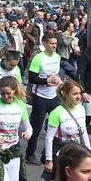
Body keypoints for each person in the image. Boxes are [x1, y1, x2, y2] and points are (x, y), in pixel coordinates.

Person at [25, 32, 64, 165]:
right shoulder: (38, 58)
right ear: (45, 44)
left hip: (53, 96)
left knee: (57, 124)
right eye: (51, 44)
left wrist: (58, 79)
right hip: (40, 97)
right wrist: (47, 80)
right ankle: (30, 154)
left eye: (55, 44)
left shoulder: (57, 57)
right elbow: (31, 78)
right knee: (36, 127)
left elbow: (56, 73)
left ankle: (50, 152)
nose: (54, 46)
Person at [44, 79, 91, 171]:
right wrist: (49, 160)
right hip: (62, 154)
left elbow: (84, 132)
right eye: (74, 94)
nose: (78, 97)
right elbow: (49, 138)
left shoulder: (81, 109)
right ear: (65, 94)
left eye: (79, 93)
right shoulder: (56, 112)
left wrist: (89, 152)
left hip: (77, 153)